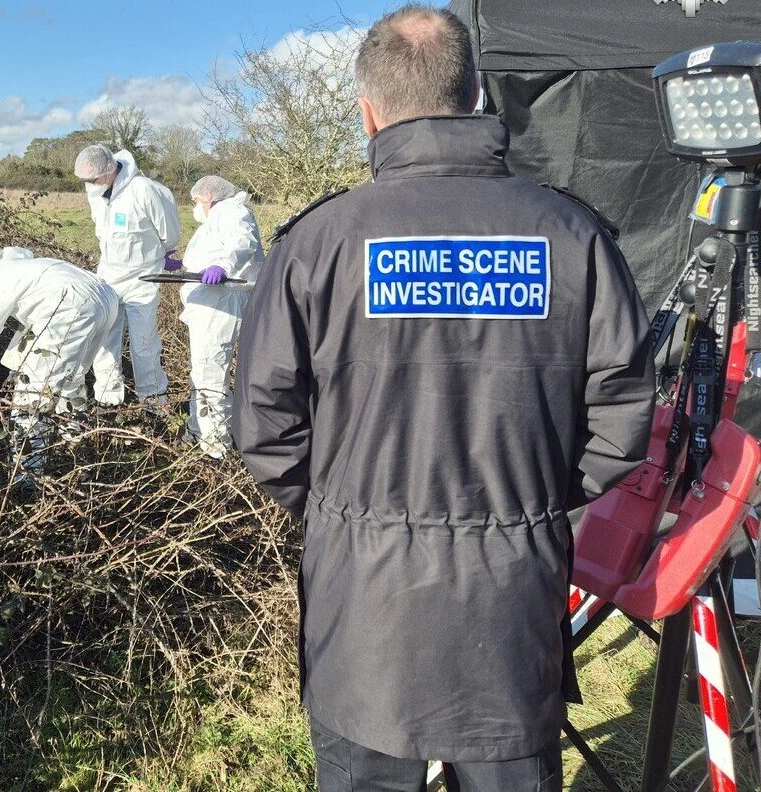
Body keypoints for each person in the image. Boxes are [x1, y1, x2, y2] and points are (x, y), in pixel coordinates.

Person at [230, 5, 656, 791]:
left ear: (368, 112)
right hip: (510, 601)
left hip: (365, 610)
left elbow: (264, 426)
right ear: (478, 95)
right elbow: (623, 417)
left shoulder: (317, 243)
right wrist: (529, 497)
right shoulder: (571, 236)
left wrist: (345, 512)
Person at [0, 246, 119, 483]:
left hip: (71, 307)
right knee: (71, 380)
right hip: (105, 299)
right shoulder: (28, 265)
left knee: (33, 392)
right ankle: (75, 453)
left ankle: (27, 476)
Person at [74, 144, 180, 410]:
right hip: (108, 274)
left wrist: (164, 253)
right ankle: (108, 397)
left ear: (109, 170)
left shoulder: (143, 190)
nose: (89, 185)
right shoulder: (95, 190)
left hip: (142, 277)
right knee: (104, 339)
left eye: (93, 179)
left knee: (144, 342)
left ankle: (153, 400)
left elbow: (169, 231)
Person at [166, 175, 264, 458]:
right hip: (211, 304)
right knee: (203, 372)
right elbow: (213, 251)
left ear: (208, 196)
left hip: (222, 304)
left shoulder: (230, 210)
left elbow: (242, 243)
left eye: (195, 200)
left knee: (210, 373)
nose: (194, 206)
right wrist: (183, 265)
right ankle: (200, 432)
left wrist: (222, 266)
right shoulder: (219, 217)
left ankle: (216, 447)